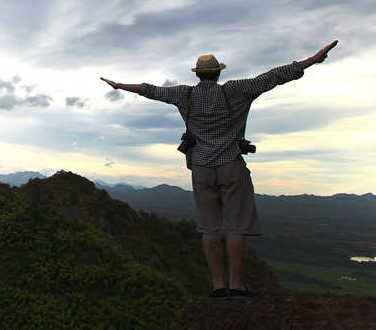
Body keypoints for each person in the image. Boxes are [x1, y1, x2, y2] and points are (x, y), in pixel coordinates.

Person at [100, 40, 338, 298]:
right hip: (231, 164)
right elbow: (273, 77)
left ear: (198, 75)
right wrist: (311, 61)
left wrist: (119, 85)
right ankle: (237, 285)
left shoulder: (184, 94)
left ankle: (217, 286)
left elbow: (150, 90)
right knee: (236, 227)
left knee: (209, 229)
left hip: (201, 167)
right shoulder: (236, 90)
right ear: (218, 73)